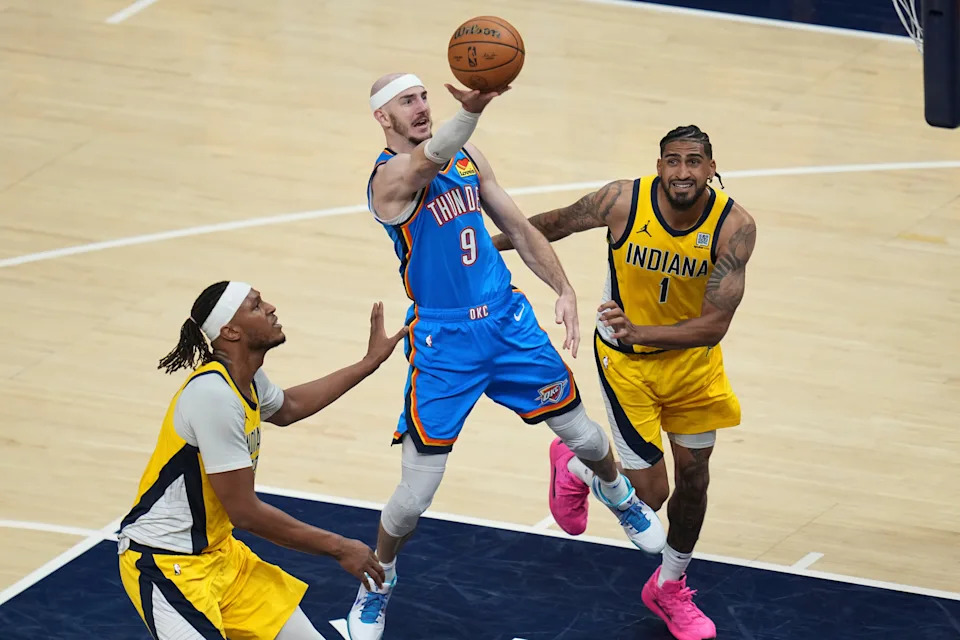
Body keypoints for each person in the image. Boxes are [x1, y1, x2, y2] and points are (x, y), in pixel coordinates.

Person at [346, 73, 667, 640]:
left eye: (424, 96)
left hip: (507, 321)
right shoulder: (388, 182)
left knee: (589, 441)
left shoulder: (467, 156)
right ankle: (380, 580)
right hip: (445, 346)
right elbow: (428, 161)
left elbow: (518, 227)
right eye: (407, 101)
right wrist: (473, 109)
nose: (421, 107)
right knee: (412, 501)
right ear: (382, 117)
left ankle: (612, 491)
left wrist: (563, 289)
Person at [492, 125, 757, 640]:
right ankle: (575, 466)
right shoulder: (621, 201)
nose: (683, 172)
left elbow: (716, 324)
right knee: (650, 493)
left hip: (693, 365)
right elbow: (556, 223)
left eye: (694, 161)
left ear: (711, 167)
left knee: (696, 482)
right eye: (673, 161)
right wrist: (487, 246)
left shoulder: (734, 227)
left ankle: (670, 586)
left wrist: (644, 329)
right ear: (659, 165)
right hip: (627, 363)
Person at [117, 281, 407, 640]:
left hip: (221, 557)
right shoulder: (213, 396)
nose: (270, 307)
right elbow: (246, 513)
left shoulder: (246, 379)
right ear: (230, 331)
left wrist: (369, 363)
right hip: (164, 563)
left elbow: (289, 407)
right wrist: (339, 547)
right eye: (256, 306)